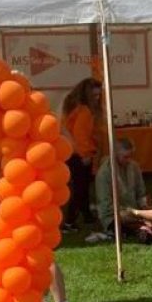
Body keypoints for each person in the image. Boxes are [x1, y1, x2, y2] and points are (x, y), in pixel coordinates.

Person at [61, 77, 103, 236]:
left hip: (74, 153)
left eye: (99, 95)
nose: (97, 99)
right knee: (79, 189)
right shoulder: (84, 111)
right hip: (78, 154)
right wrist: (85, 154)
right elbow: (80, 135)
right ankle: (69, 222)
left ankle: (86, 216)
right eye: (95, 96)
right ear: (87, 95)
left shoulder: (76, 108)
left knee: (83, 188)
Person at [94, 137, 148, 237]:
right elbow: (106, 206)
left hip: (135, 213)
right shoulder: (104, 173)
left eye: (131, 156)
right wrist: (131, 213)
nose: (129, 160)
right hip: (113, 216)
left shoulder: (134, 166)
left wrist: (144, 204)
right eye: (126, 157)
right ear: (115, 154)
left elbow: (141, 192)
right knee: (142, 227)